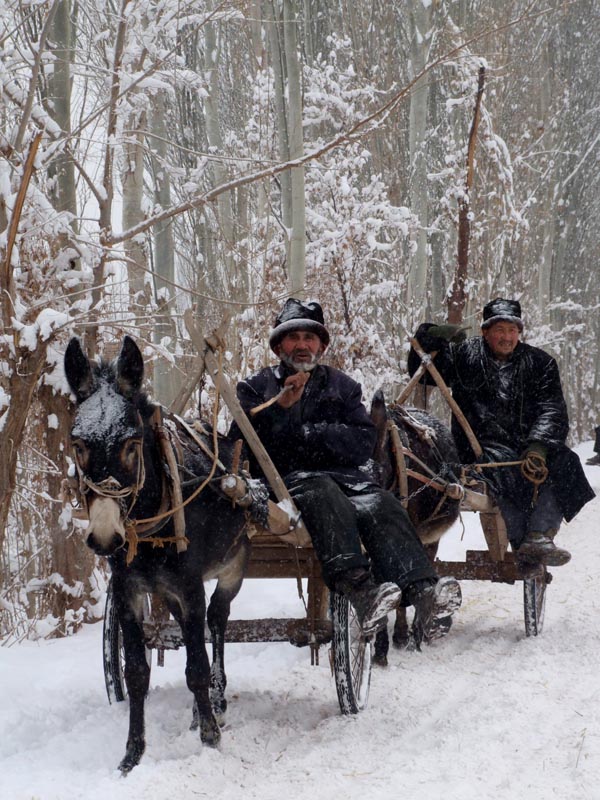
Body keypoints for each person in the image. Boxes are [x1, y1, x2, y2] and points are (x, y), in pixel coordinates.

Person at [231, 298, 461, 643]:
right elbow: (241, 443)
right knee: (321, 491)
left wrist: (308, 433)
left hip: (347, 480)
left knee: (382, 503)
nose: (302, 345)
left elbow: (362, 441)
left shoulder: (343, 387)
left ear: (321, 345)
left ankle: (423, 589)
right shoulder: (255, 389)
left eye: (310, 339)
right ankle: (359, 589)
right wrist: (280, 411)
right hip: (284, 485)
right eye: (293, 338)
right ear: (279, 346)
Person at [408, 297, 595, 566]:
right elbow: (423, 371)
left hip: (526, 450)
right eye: (499, 330)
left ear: (519, 332)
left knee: (567, 463)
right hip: (476, 451)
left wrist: (538, 448)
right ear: (485, 331)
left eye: (512, 330)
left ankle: (539, 535)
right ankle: (524, 546)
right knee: (499, 475)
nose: (506, 337)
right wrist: (430, 335)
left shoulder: (541, 364)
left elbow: (552, 410)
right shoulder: (465, 356)